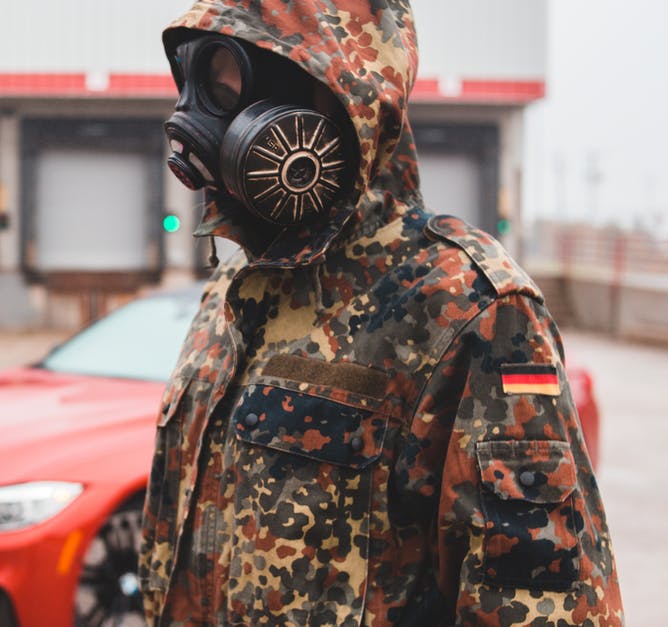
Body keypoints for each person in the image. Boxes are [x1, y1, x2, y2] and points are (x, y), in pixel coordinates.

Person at [138, 1, 624, 625]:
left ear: (338, 96)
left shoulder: (468, 309)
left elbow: (543, 607)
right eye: (196, 84)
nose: (199, 120)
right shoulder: (231, 290)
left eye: (228, 87)